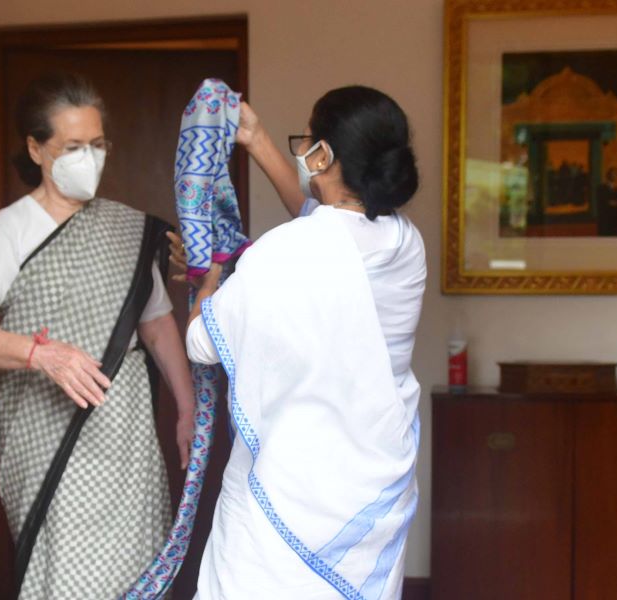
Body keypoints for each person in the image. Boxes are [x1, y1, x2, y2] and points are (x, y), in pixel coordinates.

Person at [172, 86, 427, 599]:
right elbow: (325, 217)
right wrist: (257, 138)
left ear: (323, 155)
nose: (301, 150)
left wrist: (209, 278)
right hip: (371, 490)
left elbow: (202, 342)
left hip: (286, 492)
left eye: (305, 141)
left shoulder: (289, 251)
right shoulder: (404, 241)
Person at [0, 73, 195, 599]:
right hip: (46, 436)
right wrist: (41, 355)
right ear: (36, 149)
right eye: (72, 147)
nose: (89, 158)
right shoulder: (12, 228)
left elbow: (157, 325)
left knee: (135, 566)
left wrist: (186, 407)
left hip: (125, 437)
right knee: (62, 575)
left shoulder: (130, 230)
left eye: (97, 144)